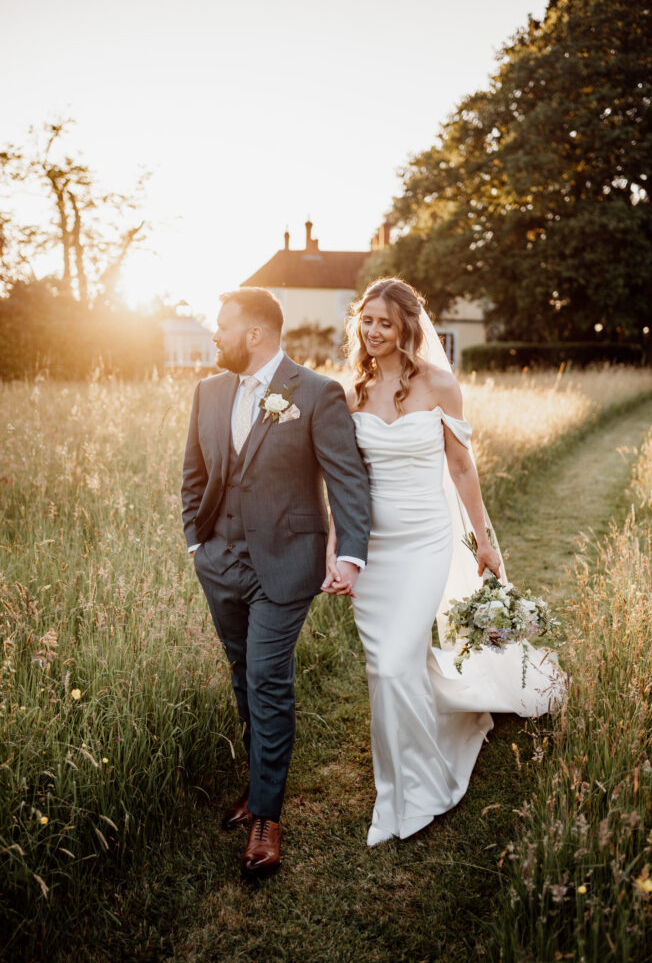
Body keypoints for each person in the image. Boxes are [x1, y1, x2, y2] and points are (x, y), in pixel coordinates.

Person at [323, 278, 563, 846]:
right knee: (389, 665)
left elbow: (461, 469)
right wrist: (337, 546)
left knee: (394, 661)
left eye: (385, 322)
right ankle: (401, 782)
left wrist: (485, 540)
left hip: (426, 537)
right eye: (367, 321)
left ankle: (415, 790)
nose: (373, 331)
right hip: (373, 546)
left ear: (408, 326)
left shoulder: (440, 385)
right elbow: (344, 480)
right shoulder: (349, 392)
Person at [182, 287, 370, 876]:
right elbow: (193, 474)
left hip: (287, 563)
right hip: (220, 563)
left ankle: (267, 816)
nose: (215, 336)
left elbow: (348, 481)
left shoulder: (316, 394)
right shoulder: (208, 393)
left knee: (266, 678)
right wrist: (197, 542)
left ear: (255, 333)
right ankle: (257, 785)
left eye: (223, 326)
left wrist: (352, 556)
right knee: (243, 676)